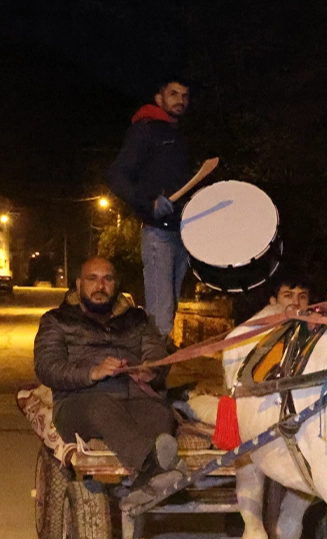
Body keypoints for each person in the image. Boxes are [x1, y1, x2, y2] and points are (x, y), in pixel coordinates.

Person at [33, 256, 184, 510]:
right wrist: (92, 372)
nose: (100, 286)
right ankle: (152, 465)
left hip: (134, 397)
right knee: (100, 407)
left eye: (107, 279)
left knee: (161, 413)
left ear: (116, 284)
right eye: (92, 279)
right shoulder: (57, 320)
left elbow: (157, 354)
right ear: (79, 284)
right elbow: (47, 367)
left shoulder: (137, 319)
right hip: (79, 403)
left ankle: (144, 486)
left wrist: (150, 370)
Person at [107, 77, 194, 341]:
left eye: (185, 95)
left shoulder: (180, 136)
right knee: (160, 316)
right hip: (158, 234)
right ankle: (151, 366)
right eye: (173, 93)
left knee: (169, 312)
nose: (180, 100)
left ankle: (154, 364)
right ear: (159, 99)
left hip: (183, 232)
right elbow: (116, 176)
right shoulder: (145, 130)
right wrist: (149, 203)